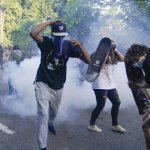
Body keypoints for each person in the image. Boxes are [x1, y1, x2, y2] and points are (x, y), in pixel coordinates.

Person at [30, 20, 90, 150]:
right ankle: (42, 147)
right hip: (43, 82)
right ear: (52, 34)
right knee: (43, 113)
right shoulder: (46, 42)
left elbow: (88, 60)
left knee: (53, 112)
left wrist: (81, 46)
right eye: (57, 35)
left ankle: (51, 122)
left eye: (61, 36)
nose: (59, 38)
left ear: (65, 35)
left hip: (58, 85)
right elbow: (33, 33)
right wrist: (49, 22)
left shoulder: (68, 46)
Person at [88, 39, 126, 133]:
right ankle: (91, 125)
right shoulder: (96, 54)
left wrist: (115, 50)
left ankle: (115, 125)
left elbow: (123, 59)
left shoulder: (113, 55)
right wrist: (105, 50)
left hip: (110, 84)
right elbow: (100, 61)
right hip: (100, 84)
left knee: (117, 102)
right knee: (101, 105)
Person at [124, 44, 150, 150]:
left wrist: (135, 85)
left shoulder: (148, 62)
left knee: (146, 126)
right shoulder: (146, 61)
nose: (136, 62)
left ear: (141, 53)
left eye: (136, 59)